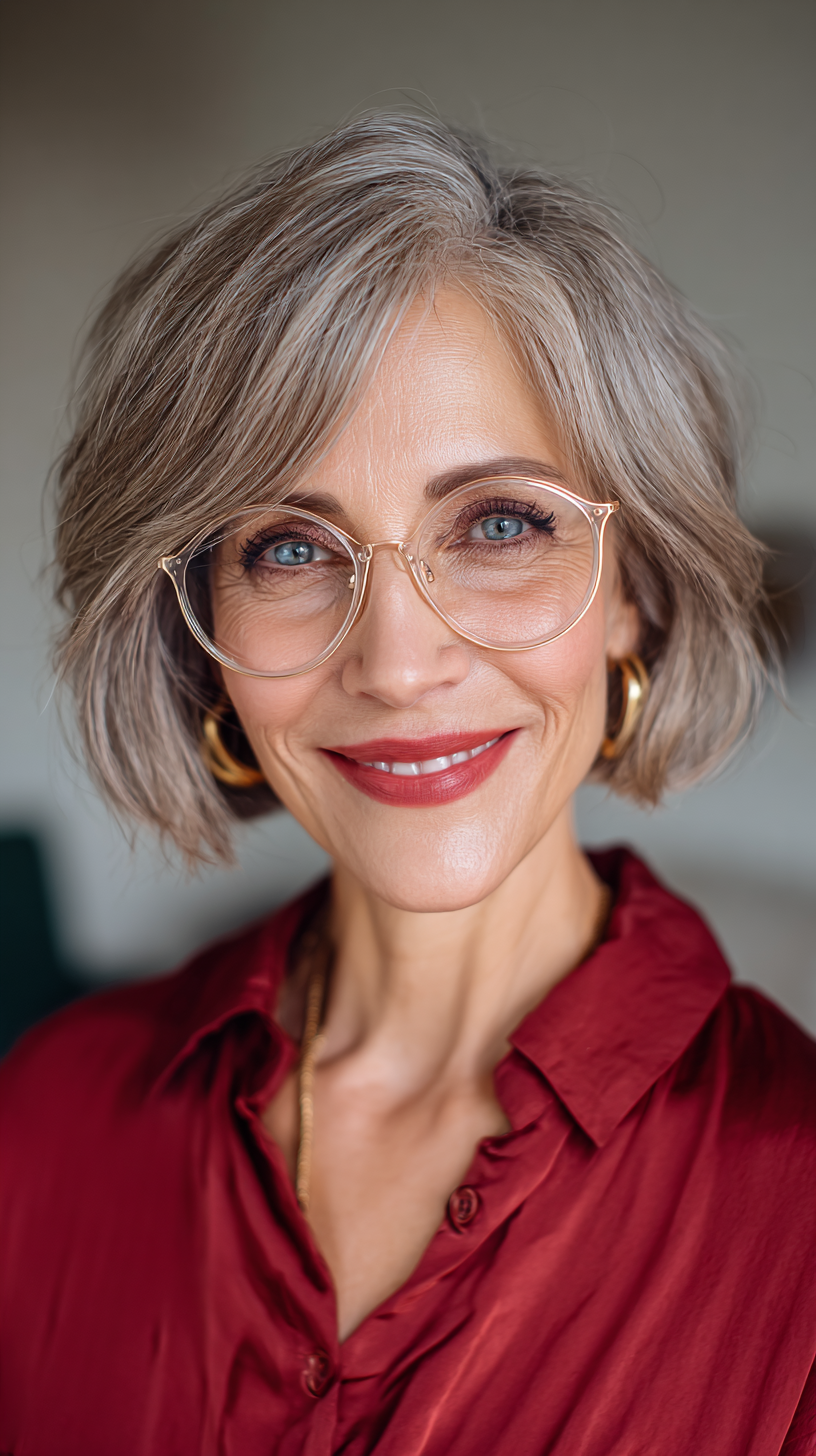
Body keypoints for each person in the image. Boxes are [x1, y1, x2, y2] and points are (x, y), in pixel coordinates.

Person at [1, 113, 814, 1456]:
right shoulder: (48, 1124)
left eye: (500, 524)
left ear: (635, 593)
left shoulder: (792, 1211)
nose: (396, 659)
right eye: (290, 548)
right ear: (200, 629)